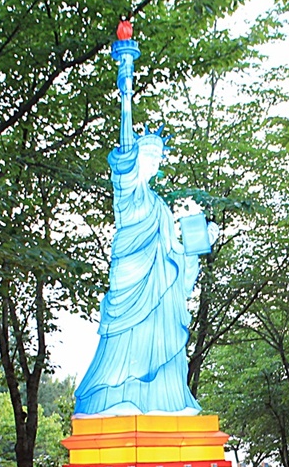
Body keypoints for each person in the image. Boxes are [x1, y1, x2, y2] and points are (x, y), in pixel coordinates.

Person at [73, 24, 216, 417]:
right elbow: (123, 143)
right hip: (130, 278)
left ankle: (167, 399)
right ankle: (118, 399)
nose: (151, 162)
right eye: (145, 155)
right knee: (122, 341)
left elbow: (174, 255)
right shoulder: (128, 191)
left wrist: (196, 248)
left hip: (158, 287)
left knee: (162, 331)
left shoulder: (158, 204)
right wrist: (126, 89)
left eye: (156, 158)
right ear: (136, 160)